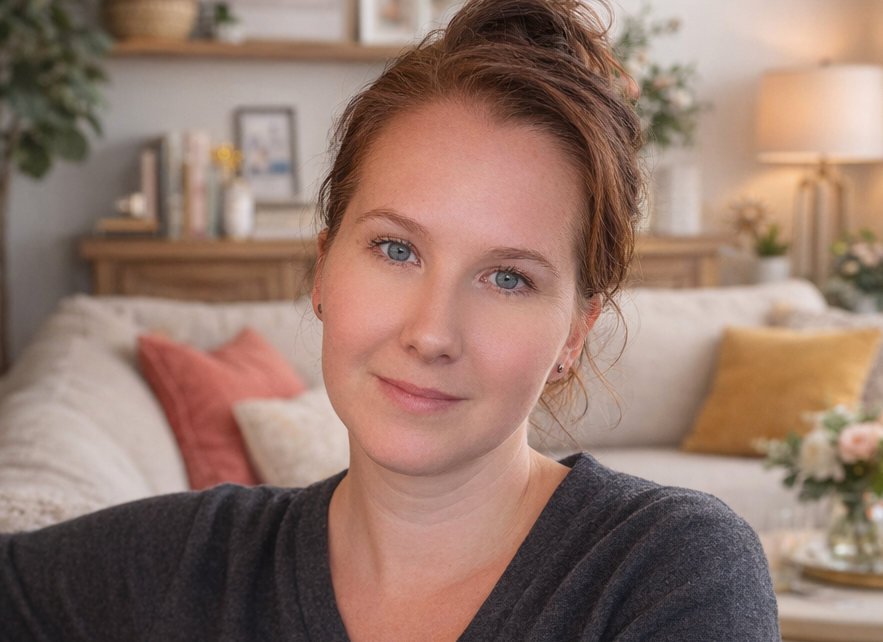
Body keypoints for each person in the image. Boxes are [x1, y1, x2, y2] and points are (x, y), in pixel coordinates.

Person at [0, 0, 779, 640]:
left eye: (508, 277)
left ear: (575, 333)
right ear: (322, 267)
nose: (430, 333)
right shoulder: (188, 567)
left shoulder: (668, 572)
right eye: (396, 249)